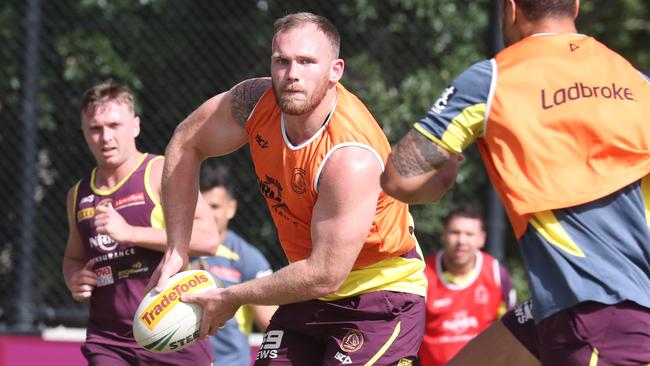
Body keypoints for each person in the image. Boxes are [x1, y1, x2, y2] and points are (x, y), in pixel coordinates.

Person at [149, 12, 428, 366]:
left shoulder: (349, 157)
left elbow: (326, 274)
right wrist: (177, 247)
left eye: (307, 62)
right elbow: (185, 142)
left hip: (379, 298)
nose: (292, 74)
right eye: (282, 61)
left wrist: (233, 296)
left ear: (335, 71)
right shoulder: (254, 103)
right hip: (308, 292)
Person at [380, 0, 650, 364]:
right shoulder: (634, 78)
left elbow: (399, 178)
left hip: (600, 315)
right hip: (566, 304)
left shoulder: (491, 80)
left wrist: (442, 179)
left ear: (509, 9)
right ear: (575, 6)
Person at [62, 80, 219, 365]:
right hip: (109, 341)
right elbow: (73, 258)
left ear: (135, 126)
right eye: (96, 128)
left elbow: (209, 238)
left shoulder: (160, 172)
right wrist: (74, 278)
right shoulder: (78, 194)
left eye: (114, 125)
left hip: (169, 328)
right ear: (84, 132)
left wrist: (130, 233)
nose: (105, 137)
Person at [191, 162, 278, 366]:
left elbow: (272, 324)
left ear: (231, 208)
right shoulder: (174, 252)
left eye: (214, 206)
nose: (206, 214)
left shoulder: (247, 258)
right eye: (200, 206)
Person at [419, 204, 516, 366]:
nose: (461, 241)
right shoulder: (422, 275)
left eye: (469, 234)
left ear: (482, 239)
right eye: (455, 233)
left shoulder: (496, 274)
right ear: (443, 235)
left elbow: (512, 329)